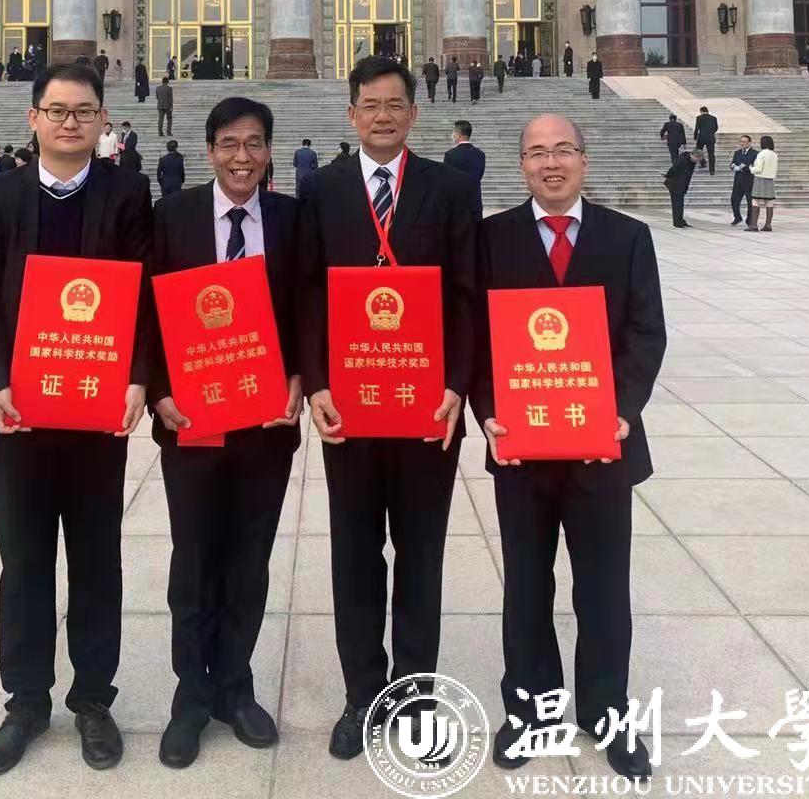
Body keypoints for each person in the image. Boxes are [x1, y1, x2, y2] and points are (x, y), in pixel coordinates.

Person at [0, 62, 153, 780]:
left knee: (97, 558)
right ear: (33, 118)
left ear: (103, 121)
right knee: (25, 560)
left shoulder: (127, 193)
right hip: (20, 412)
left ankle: (94, 699)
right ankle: (26, 702)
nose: (71, 123)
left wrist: (139, 375)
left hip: (96, 411)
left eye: (84, 111)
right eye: (58, 110)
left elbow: (145, 290)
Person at [475, 113, 666, 781]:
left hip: (601, 448)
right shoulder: (491, 239)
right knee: (526, 587)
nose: (550, 163)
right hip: (522, 449)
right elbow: (476, 336)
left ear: (584, 159)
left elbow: (646, 332)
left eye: (562, 150)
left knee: (604, 590)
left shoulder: (627, 236)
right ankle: (529, 712)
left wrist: (621, 409)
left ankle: (607, 714)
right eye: (537, 153)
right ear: (521, 166)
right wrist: (489, 411)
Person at [298, 56, 474, 760]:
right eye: (369, 105)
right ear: (351, 115)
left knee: (422, 553)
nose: (382, 116)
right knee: (355, 554)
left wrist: (457, 385)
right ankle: (361, 694)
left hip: (427, 407)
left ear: (413, 113)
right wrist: (315, 382)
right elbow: (307, 290)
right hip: (351, 406)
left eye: (394, 104)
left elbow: (468, 293)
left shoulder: (450, 187)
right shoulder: (322, 188)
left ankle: (415, 692)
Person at [146, 95, 301, 768]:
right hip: (193, 421)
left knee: (248, 558)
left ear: (269, 151)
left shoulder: (292, 219)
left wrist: (302, 378)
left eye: (255, 143)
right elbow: (144, 311)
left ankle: (236, 685)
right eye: (231, 144)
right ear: (209, 151)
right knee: (194, 558)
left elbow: (310, 306)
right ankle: (191, 695)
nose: (243, 157)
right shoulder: (171, 217)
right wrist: (157, 391)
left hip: (265, 425)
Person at [443, 120, 486, 219]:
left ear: (457, 135)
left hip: (456, 205)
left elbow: (447, 179)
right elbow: (479, 175)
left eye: (454, 132)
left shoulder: (450, 155)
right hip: (475, 204)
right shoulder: (480, 154)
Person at [664, 147, 699, 228]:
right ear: (693, 155)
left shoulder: (691, 161)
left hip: (682, 185)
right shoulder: (682, 160)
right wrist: (668, 175)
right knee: (677, 204)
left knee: (680, 204)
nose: (697, 161)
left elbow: (688, 175)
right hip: (675, 185)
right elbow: (673, 168)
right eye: (696, 159)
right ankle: (677, 222)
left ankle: (680, 220)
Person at [749, 136, 779, 232]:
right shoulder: (774, 154)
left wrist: (751, 168)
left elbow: (758, 168)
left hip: (760, 178)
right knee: (769, 201)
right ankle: (768, 225)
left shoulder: (761, 153)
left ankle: (754, 225)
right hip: (770, 179)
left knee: (755, 200)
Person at [729, 135, 758, 227]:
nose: (742, 143)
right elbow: (733, 162)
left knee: (750, 201)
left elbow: (755, 166)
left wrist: (746, 167)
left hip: (749, 180)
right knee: (734, 199)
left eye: (744, 142)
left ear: (749, 143)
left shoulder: (755, 153)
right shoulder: (737, 153)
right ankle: (737, 217)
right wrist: (732, 166)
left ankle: (749, 220)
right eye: (741, 141)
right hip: (738, 179)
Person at [693, 106, 719, 174]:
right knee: (711, 154)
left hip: (702, 137)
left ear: (701, 111)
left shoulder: (699, 118)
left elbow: (697, 128)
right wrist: (711, 133)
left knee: (698, 151)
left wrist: (695, 137)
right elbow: (716, 128)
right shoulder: (713, 118)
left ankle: (703, 162)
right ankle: (712, 170)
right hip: (711, 138)